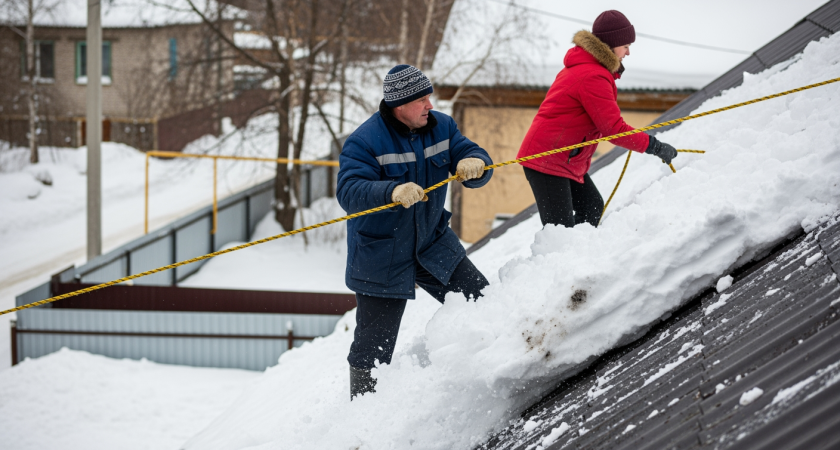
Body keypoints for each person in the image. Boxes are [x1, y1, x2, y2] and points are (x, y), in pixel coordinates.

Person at [336, 64, 494, 399]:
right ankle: (362, 417)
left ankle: (496, 373)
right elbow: (348, 191)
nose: (430, 105)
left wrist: (475, 163)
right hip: (382, 254)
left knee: (484, 304)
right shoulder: (364, 141)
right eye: (422, 99)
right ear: (399, 105)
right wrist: (389, 192)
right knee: (372, 350)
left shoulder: (442, 127)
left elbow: (470, 153)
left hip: (432, 242)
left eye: (429, 97)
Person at [517, 10, 678, 228]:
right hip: (547, 159)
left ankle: (577, 256)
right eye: (626, 46)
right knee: (560, 232)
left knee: (591, 206)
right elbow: (613, 129)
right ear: (611, 45)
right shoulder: (593, 75)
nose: (628, 52)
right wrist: (654, 146)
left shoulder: (590, 70)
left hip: (564, 159)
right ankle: (556, 260)